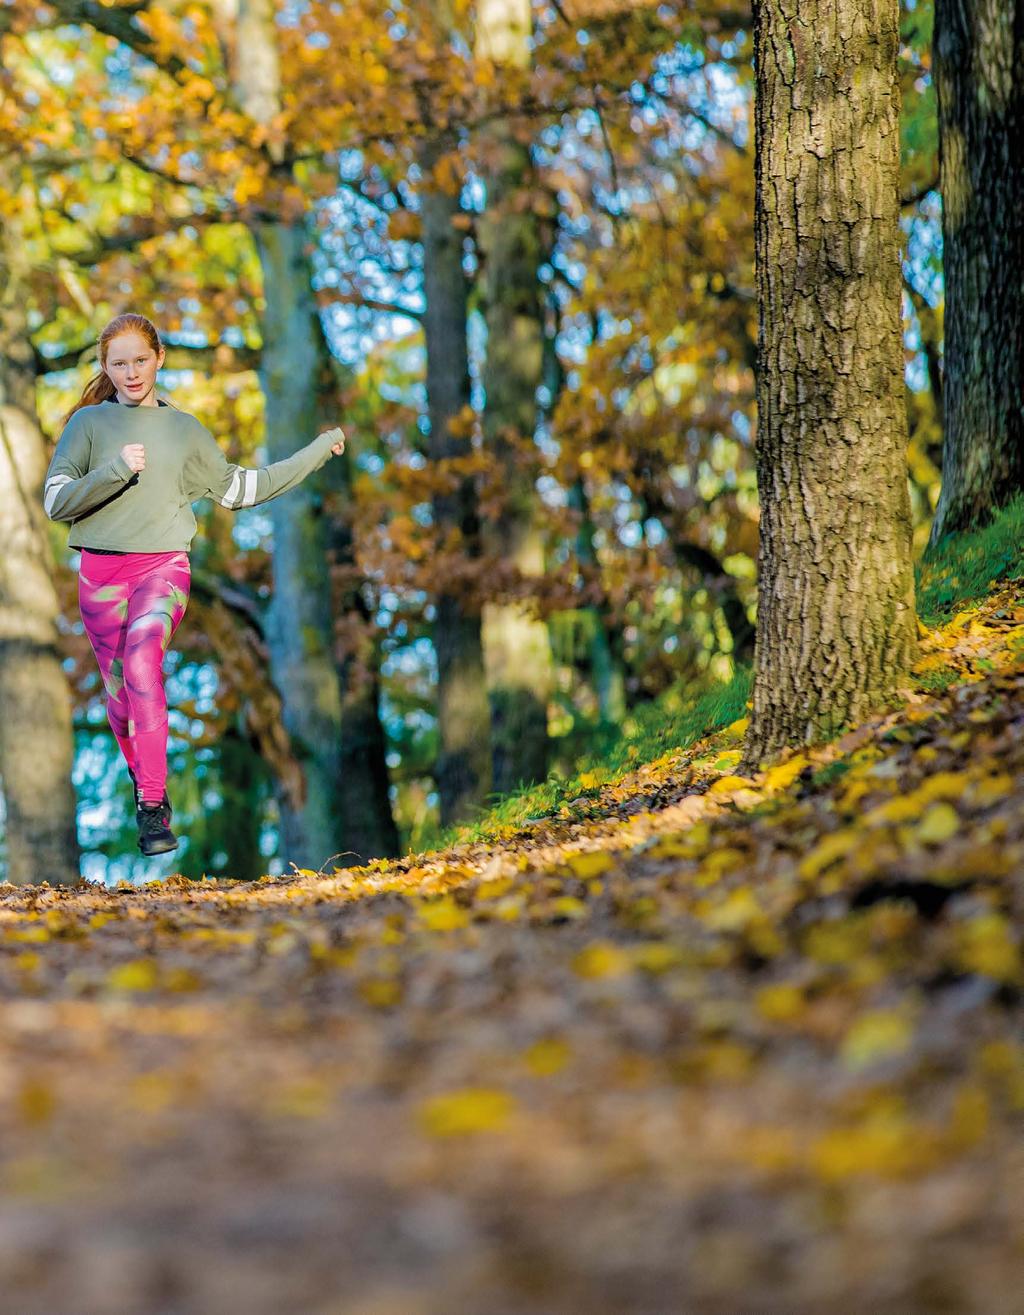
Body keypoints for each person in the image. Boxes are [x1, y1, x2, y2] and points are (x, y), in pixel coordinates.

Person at [43, 312, 345, 859]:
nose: (132, 372)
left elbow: (243, 489)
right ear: (105, 367)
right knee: (118, 703)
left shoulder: (185, 432)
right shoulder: (86, 426)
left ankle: (153, 807)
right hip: (100, 575)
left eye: (141, 359)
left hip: (163, 568)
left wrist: (318, 449)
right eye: (119, 363)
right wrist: (114, 470)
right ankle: (146, 784)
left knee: (142, 664)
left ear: (159, 358)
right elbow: (56, 501)